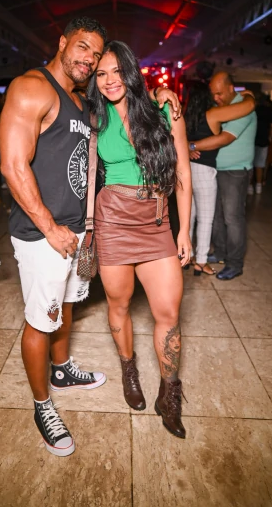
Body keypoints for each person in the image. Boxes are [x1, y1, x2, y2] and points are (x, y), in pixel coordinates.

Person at [0, 17, 109, 458]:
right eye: (83, 47)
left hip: (74, 231)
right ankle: (42, 405)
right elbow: (13, 165)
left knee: (66, 306)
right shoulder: (32, 88)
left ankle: (61, 370)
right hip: (43, 233)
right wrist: (49, 227)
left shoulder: (79, 100)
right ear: (62, 42)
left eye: (96, 54)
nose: (89, 59)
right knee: (40, 320)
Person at [88, 41, 192, 439]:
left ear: (131, 71)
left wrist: (184, 230)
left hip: (156, 220)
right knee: (119, 302)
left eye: (117, 71)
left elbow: (182, 172)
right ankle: (128, 369)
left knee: (168, 311)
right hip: (113, 219)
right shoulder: (94, 114)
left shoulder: (165, 109)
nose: (110, 81)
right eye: (101, 74)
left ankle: (169, 392)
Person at [187, 72, 257, 281]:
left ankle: (234, 263)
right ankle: (220, 252)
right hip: (216, 169)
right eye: (213, 94)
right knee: (215, 216)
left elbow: (224, 138)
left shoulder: (242, 108)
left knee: (232, 217)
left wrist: (190, 146)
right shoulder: (221, 109)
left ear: (230, 88)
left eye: (219, 93)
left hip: (235, 171)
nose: (216, 98)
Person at [248, 94, 272, 195]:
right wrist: (270, 137)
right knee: (260, 164)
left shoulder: (252, 110)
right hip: (264, 140)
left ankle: (250, 186)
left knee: (250, 165)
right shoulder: (269, 111)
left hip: (251, 140)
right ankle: (259, 186)